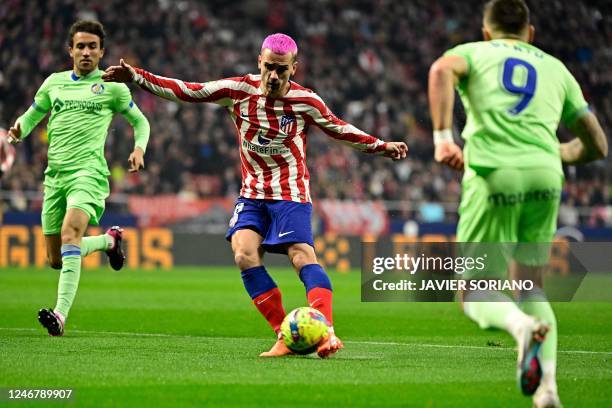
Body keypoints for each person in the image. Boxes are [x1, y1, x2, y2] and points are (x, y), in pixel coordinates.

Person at [102, 33, 407, 358]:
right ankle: (284, 335)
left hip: (290, 192)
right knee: (244, 253)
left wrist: (380, 146)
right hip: (252, 193)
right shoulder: (238, 90)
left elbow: (339, 128)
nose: (274, 76)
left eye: (282, 70)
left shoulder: (306, 101)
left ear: (294, 68)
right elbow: (189, 91)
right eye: (269, 68)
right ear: (259, 63)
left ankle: (328, 332)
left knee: (301, 256)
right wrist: (137, 76)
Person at [428, 0, 607, 406]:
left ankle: (520, 327)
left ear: (486, 32)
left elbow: (440, 70)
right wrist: (558, 152)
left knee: (474, 292)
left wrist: (442, 138)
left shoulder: (474, 52)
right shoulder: (555, 68)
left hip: (494, 173)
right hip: (546, 177)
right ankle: (547, 392)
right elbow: (597, 143)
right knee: (530, 285)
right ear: (531, 33)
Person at [7, 20, 151, 337]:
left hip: (88, 173)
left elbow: (141, 122)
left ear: (102, 51)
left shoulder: (112, 86)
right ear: (70, 49)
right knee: (55, 258)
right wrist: (18, 131)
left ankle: (59, 315)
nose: (86, 52)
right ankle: (108, 242)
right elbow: (32, 114)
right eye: (80, 46)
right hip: (54, 177)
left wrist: (139, 149)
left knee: (71, 231)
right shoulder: (54, 83)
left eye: (92, 47)